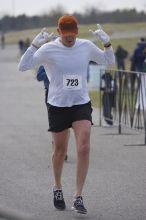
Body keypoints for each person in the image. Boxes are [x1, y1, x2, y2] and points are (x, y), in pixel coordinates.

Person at [18, 15, 115, 214]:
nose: (69, 39)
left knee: (84, 146)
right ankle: (57, 187)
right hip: (58, 105)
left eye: (73, 35)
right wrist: (34, 46)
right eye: (66, 35)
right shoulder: (49, 48)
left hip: (80, 103)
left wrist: (107, 43)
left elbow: (108, 61)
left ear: (76, 32)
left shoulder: (85, 46)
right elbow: (23, 66)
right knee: (60, 152)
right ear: (59, 31)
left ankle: (78, 196)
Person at [36, 66, 68, 161]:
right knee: (55, 123)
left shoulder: (64, 58)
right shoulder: (46, 58)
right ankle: (56, 147)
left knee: (66, 122)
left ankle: (63, 149)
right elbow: (39, 77)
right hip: (50, 94)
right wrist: (51, 72)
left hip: (65, 94)